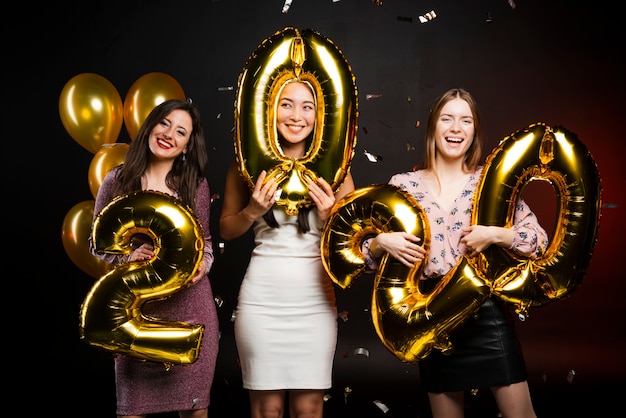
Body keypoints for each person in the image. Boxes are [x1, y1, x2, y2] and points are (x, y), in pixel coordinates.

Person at [361, 88, 548, 418]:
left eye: (466, 120)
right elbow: (363, 253)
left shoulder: (489, 183)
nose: (456, 128)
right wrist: (382, 242)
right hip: (433, 315)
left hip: (486, 315)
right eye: (447, 119)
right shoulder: (403, 185)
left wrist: (497, 234)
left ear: (475, 131)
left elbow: (539, 241)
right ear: (433, 126)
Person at [219, 80, 355, 418]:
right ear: (270, 110)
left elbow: (353, 246)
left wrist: (328, 217)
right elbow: (225, 228)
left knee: (309, 410)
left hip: (315, 305)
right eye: (286, 104)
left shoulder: (339, 170)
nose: (297, 116)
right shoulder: (246, 164)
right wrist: (252, 211)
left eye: (307, 106)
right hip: (261, 303)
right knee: (266, 410)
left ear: (319, 115)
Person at [89, 99, 219, 418]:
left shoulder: (196, 186)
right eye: (164, 124)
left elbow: (206, 242)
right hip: (136, 317)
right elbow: (97, 240)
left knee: (195, 410)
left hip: (190, 311)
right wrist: (128, 257)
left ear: (187, 146)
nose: (168, 134)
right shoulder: (117, 181)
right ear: (150, 126)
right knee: (132, 411)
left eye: (180, 131)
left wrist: (203, 263)